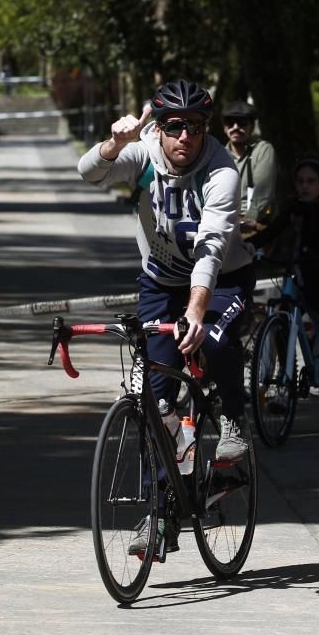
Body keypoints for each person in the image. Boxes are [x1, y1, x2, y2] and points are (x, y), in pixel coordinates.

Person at [78, 80, 254, 492]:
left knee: (211, 336)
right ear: (158, 127)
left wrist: (195, 309)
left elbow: (212, 246)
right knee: (153, 403)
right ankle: (162, 508)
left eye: (195, 126)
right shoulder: (143, 156)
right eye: (175, 126)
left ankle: (233, 416)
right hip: (160, 282)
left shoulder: (221, 169)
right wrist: (114, 143)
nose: (186, 137)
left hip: (223, 280)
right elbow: (88, 173)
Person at [252, 152, 319, 360]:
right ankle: (286, 377)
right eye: (300, 181)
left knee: (316, 294)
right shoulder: (293, 207)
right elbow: (272, 231)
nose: (305, 187)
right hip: (303, 269)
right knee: (283, 315)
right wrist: (246, 246)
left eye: (311, 181)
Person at [221, 100, 277, 239]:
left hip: (253, 224)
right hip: (223, 223)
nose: (235, 127)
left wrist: (249, 220)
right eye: (230, 122)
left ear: (251, 127)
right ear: (224, 128)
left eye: (242, 122)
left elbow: (263, 191)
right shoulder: (217, 155)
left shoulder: (262, 149)